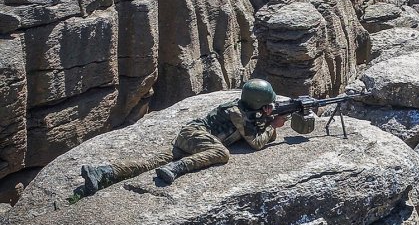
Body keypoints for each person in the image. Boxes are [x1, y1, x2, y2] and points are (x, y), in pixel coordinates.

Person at [81, 79, 287, 194]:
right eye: (266, 105)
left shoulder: (246, 109)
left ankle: (103, 173)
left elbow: (250, 128)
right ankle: (176, 168)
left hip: (193, 139)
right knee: (221, 153)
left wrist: (266, 120)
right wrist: (273, 126)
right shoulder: (237, 113)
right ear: (258, 103)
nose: (268, 108)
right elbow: (257, 142)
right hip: (196, 135)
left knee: (148, 163)